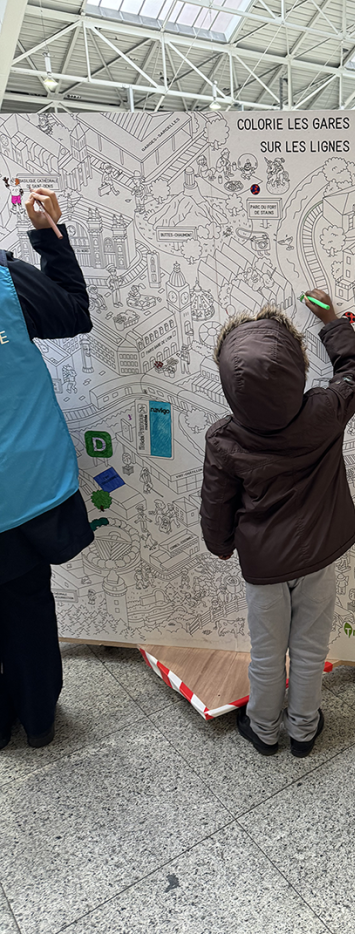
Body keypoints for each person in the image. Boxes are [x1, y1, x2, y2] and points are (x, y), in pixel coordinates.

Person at [200, 291, 355, 758]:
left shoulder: (224, 438)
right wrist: (332, 322)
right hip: (318, 556)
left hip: (262, 565)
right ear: (296, 372)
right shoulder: (323, 413)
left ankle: (263, 731)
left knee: (267, 655)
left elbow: (217, 503)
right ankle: (303, 731)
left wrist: (220, 545)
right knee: (311, 651)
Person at [0, 188, 93, 750]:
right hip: (26, 488)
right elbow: (73, 312)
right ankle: (37, 720)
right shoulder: (7, 284)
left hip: (24, 487)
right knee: (28, 601)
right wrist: (48, 235)